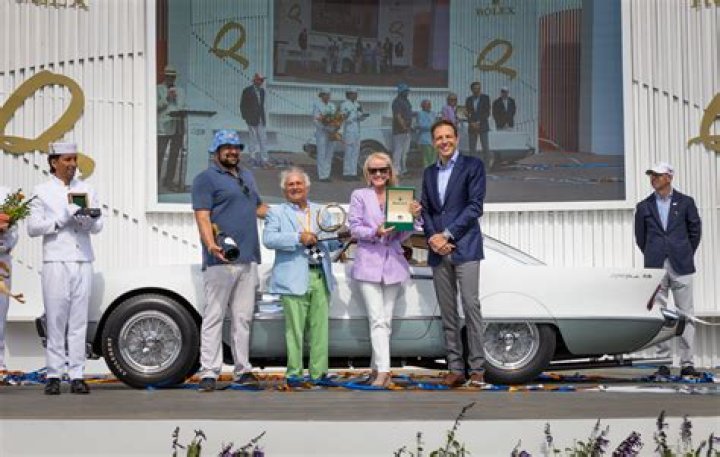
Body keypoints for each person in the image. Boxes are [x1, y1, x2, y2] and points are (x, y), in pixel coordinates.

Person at [191, 129, 269, 392]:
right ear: (216, 151)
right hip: (220, 259)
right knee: (214, 316)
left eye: (236, 147)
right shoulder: (205, 179)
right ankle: (209, 372)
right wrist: (210, 244)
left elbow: (258, 208)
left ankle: (242, 370)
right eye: (227, 147)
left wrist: (291, 213)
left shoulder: (247, 176)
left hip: (248, 258)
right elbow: (202, 216)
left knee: (242, 318)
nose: (233, 151)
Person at [27, 142, 103, 395]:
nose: (72, 164)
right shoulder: (42, 191)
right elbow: (33, 227)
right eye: (67, 160)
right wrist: (61, 219)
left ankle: (77, 374)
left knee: (79, 320)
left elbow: (98, 226)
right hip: (56, 260)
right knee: (56, 319)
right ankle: (54, 374)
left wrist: (88, 221)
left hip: (82, 259)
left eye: (74, 159)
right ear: (54, 162)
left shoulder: (86, 188)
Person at [262, 167, 345, 384]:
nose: (295, 188)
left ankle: (319, 374)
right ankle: (294, 374)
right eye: (290, 184)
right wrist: (298, 237)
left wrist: (341, 238)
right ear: (284, 190)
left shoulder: (321, 211)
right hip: (293, 278)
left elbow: (331, 243)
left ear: (307, 187)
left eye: (299, 183)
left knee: (320, 329)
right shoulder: (276, 212)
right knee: (294, 330)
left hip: (320, 275)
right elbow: (269, 239)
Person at [420, 120, 486, 387]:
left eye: (448, 136)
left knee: (471, 307)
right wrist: (433, 238)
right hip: (438, 251)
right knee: (448, 312)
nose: (444, 141)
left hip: (466, 247)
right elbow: (425, 209)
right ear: (433, 142)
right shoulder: (428, 172)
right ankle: (456, 368)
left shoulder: (473, 166)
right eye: (439, 138)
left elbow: (475, 207)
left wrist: (446, 234)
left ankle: (477, 369)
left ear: (457, 139)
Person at [349, 153, 421, 387]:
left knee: (385, 321)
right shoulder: (360, 195)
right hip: (368, 263)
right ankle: (384, 372)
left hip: (393, 264)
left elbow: (402, 234)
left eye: (383, 170)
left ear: (390, 172)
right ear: (367, 173)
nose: (378, 174)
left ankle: (376, 368)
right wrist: (375, 231)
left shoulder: (399, 196)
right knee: (377, 319)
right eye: (373, 170)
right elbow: (354, 228)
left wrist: (414, 217)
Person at [634, 163, 702, 378]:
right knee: (659, 315)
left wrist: (684, 252)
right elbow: (641, 238)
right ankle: (662, 362)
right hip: (656, 266)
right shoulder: (644, 206)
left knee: (686, 314)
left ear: (669, 177)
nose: (653, 178)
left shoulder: (686, 202)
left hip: (682, 265)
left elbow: (695, 231)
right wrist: (655, 253)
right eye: (651, 175)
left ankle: (687, 363)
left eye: (657, 175)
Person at [0, 186, 19, 376]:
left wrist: (4, 242)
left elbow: (14, 232)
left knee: (0, 312)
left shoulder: (6, 195)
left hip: (1, 262)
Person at [157, 65, 185, 191]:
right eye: (169, 76)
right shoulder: (158, 89)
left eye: (173, 77)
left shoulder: (181, 90)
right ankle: (155, 181)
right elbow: (154, 107)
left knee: (174, 155)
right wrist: (167, 99)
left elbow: (183, 106)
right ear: (165, 76)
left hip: (178, 126)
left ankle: (169, 181)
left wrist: (178, 102)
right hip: (164, 126)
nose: (171, 79)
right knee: (160, 154)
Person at [240, 72, 270, 167]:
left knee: (263, 139)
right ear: (255, 80)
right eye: (260, 80)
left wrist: (263, 118)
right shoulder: (247, 91)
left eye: (262, 80)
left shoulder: (262, 91)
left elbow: (261, 106)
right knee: (252, 138)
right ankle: (252, 157)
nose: (261, 82)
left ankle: (264, 159)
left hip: (260, 118)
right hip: (251, 118)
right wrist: (245, 117)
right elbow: (243, 105)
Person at [340, 87, 367, 180]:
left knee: (355, 153)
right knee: (348, 153)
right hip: (349, 131)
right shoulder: (344, 105)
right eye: (354, 93)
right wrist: (354, 116)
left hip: (357, 131)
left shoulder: (357, 104)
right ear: (349, 94)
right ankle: (346, 173)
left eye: (356, 93)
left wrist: (362, 116)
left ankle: (353, 173)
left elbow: (360, 117)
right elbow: (344, 118)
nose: (356, 95)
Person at [312, 88, 338, 182]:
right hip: (322, 132)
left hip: (331, 132)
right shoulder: (317, 105)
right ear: (321, 95)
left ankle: (327, 174)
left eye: (328, 95)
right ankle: (322, 175)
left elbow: (336, 118)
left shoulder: (332, 106)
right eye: (325, 95)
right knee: (322, 154)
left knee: (329, 154)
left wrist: (335, 127)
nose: (327, 96)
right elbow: (316, 120)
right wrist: (325, 127)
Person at [465, 81, 491, 166]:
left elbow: (487, 112)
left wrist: (479, 122)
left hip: (482, 125)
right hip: (472, 126)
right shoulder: (469, 99)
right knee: (472, 148)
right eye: (475, 88)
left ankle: (486, 166)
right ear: (472, 89)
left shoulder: (485, 98)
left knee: (485, 147)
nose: (477, 90)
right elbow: (467, 113)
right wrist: (471, 122)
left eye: (478, 88)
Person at [391, 83, 413, 176]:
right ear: (401, 92)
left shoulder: (406, 101)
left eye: (407, 91)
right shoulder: (397, 102)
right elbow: (398, 116)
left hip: (407, 130)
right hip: (399, 130)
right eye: (405, 91)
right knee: (398, 151)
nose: (407, 93)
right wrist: (403, 126)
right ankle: (396, 171)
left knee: (405, 152)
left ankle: (403, 170)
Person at [417, 99, 437, 168]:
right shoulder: (420, 114)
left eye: (429, 104)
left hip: (434, 138)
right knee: (426, 158)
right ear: (422, 106)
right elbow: (421, 125)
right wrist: (432, 126)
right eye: (427, 104)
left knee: (434, 158)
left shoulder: (433, 113)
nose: (429, 106)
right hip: (425, 139)